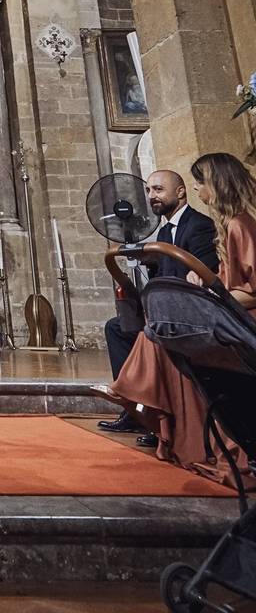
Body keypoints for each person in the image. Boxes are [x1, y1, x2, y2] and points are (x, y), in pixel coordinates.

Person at [98, 153, 256, 487]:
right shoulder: (228, 224)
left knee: (159, 334)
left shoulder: (236, 225)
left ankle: (133, 396)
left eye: (200, 181)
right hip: (221, 311)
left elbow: (248, 291)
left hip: (241, 322)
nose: (199, 188)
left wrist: (213, 291)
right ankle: (139, 403)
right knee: (142, 329)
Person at [98, 169, 219, 447]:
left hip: (190, 312)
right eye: (149, 191)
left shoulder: (198, 225)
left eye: (158, 189)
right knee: (118, 328)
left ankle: (149, 411)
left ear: (180, 192)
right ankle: (132, 408)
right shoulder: (163, 231)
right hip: (166, 310)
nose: (152, 196)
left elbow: (202, 270)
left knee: (148, 332)